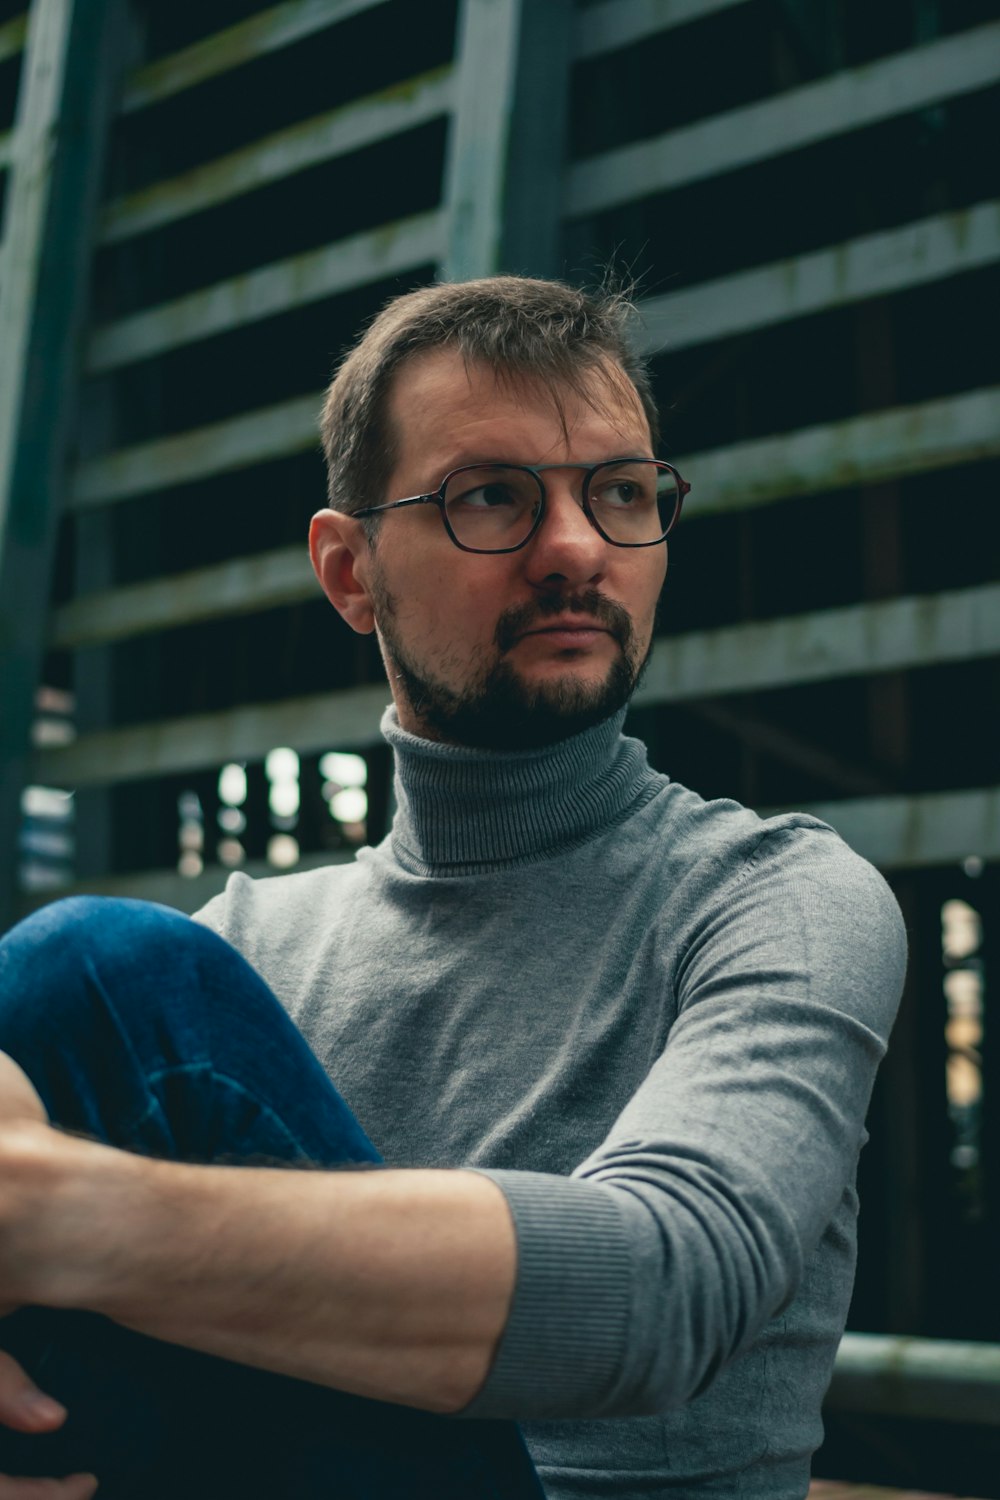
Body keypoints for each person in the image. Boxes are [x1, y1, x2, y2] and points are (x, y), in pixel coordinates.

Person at [0, 275, 906, 1499]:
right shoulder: (248, 948)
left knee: (99, 970)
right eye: (494, 497)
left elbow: (667, 1286)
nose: (578, 548)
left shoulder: (773, 895)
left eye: (622, 494)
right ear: (349, 571)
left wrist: (71, 1219)